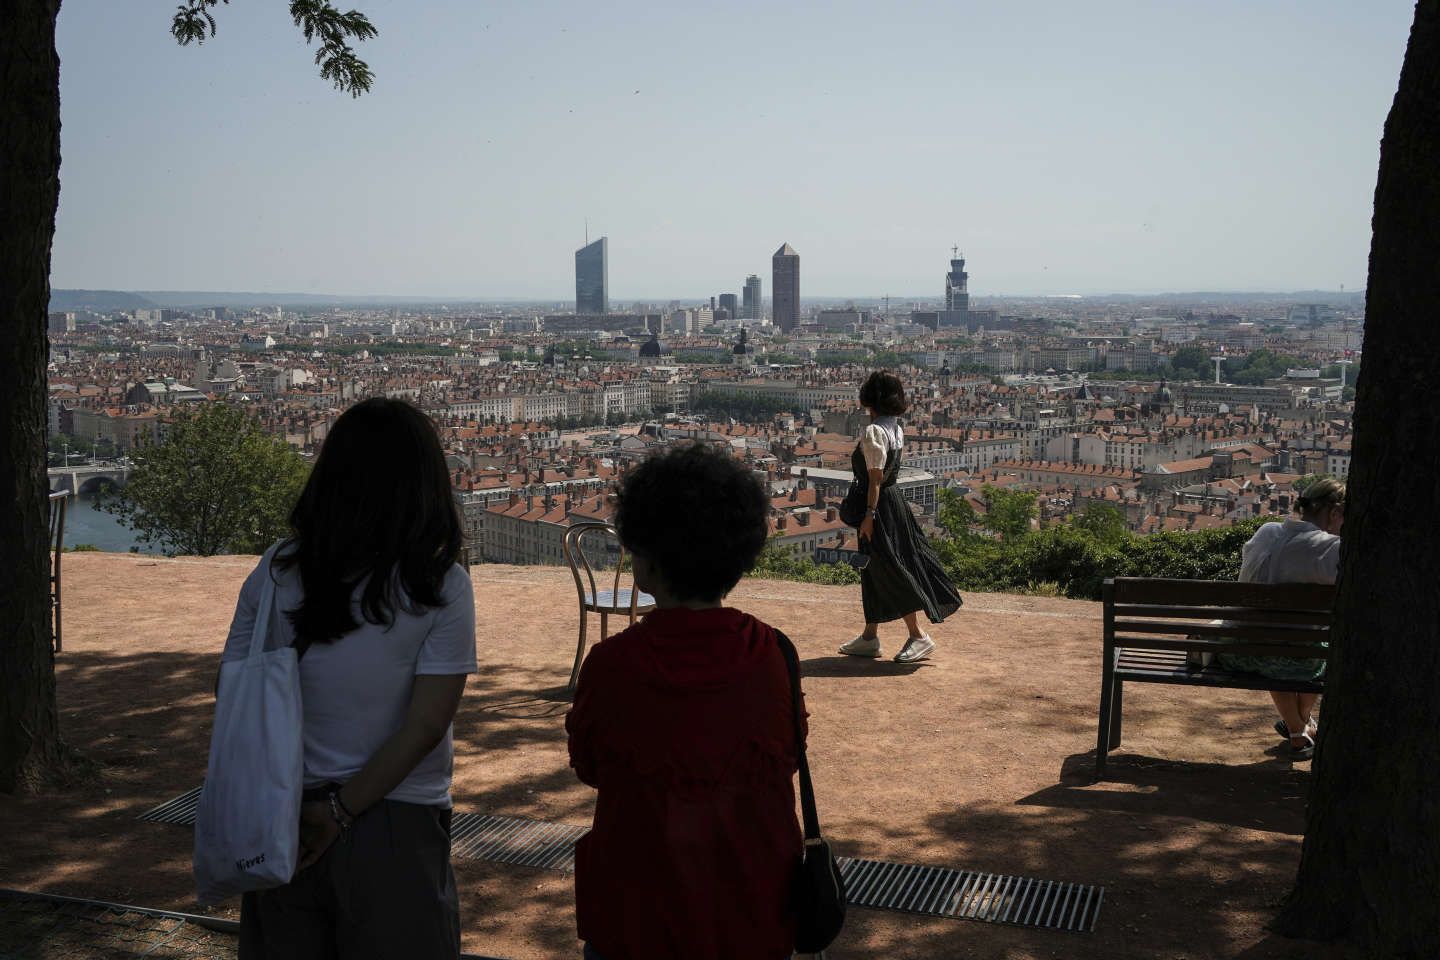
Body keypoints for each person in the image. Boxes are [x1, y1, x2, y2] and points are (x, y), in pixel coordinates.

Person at [222, 397, 476, 959]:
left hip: (281, 811)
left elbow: (233, 689)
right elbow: (427, 725)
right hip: (396, 820)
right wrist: (340, 813)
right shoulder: (440, 585)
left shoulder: (277, 568)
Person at [566, 443, 804, 960]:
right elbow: (789, 754)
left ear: (646, 563)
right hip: (753, 914)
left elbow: (589, 765)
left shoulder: (612, 664)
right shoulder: (774, 654)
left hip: (639, 917)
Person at [838, 371, 963, 663]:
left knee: (889, 568)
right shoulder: (895, 428)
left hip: (878, 506)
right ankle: (869, 637)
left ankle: (918, 635)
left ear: (870, 398)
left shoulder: (874, 432)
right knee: (873, 567)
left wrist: (869, 515)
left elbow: (875, 479)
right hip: (894, 504)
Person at [1218, 477, 1345, 761]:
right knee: (1314, 650)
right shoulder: (1328, 548)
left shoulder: (1267, 530)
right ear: (1335, 513)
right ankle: (1299, 730)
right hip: (1294, 655)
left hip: (1238, 650)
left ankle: (1298, 726)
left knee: (1284, 645)